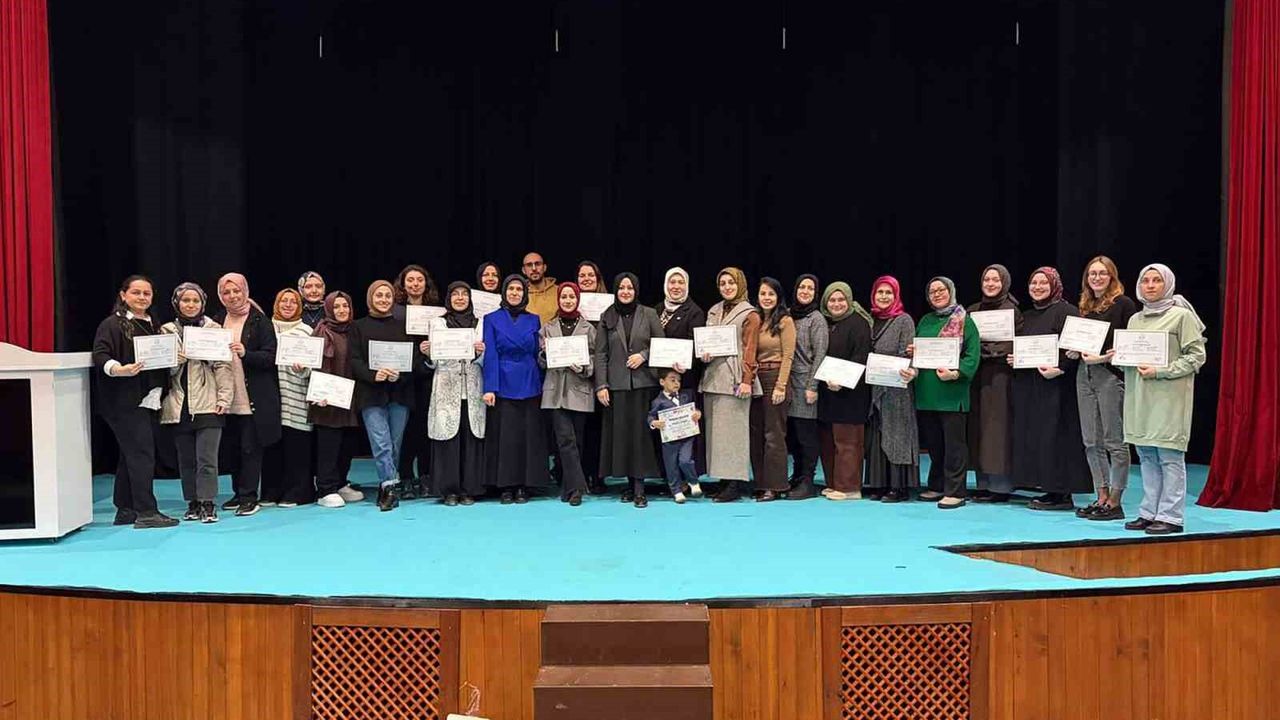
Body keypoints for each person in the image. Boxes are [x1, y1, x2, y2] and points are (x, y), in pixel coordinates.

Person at [1122, 264, 1206, 535]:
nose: (1150, 285)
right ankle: (1149, 512)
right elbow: (1131, 358)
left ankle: (1171, 516)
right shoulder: (1135, 319)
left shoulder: (1182, 316)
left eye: (1156, 280)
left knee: (1169, 457)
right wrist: (1118, 356)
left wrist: (1161, 371)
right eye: (1145, 280)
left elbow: (1196, 356)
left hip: (1169, 398)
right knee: (1146, 456)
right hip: (1140, 397)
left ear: (1167, 284)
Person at [92, 275, 178, 529]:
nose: (142, 297)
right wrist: (119, 369)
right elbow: (100, 354)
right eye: (136, 292)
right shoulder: (112, 324)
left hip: (149, 399)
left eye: (146, 293)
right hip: (124, 401)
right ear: (123, 295)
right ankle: (146, 511)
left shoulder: (154, 324)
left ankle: (126, 509)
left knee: (130, 455)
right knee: (142, 455)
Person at [1008, 267, 1092, 511]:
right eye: (1033, 283)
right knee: (1039, 437)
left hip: (1057, 386)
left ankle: (1062, 493)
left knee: (1058, 437)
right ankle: (1047, 487)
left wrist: (1061, 368)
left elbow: (1076, 347)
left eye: (1043, 283)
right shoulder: (1027, 315)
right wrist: (1016, 358)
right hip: (1030, 386)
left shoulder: (1067, 312)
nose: (1037, 287)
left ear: (1054, 285)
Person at [1071, 256, 1138, 520]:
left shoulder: (1124, 304)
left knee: (1114, 441)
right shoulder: (1085, 306)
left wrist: (1103, 358)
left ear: (1112, 276)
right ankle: (1101, 496)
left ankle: (1115, 500)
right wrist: (1073, 350)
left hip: (1110, 376)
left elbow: (1131, 345)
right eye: (1092, 274)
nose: (1096, 278)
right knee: (1091, 441)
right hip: (1084, 374)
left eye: (1102, 273)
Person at [160, 282, 233, 523]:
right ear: (177, 303)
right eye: (185, 300)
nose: (191, 305)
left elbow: (223, 366)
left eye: (196, 301)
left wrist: (224, 398)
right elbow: (161, 369)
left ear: (203, 304)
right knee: (186, 460)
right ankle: (192, 502)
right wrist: (175, 361)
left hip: (208, 402)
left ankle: (208, 502)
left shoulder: (214, 329)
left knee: (207, 459)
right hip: (179, 404)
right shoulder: (167, 330)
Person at [212, 272, 281, 518]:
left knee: (250, 449)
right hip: (225, 397)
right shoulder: (216, 320)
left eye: (236, 291)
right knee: (232, 449)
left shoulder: (260, 321)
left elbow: (271, 357)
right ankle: (238, 493)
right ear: (220, 296)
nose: (232, 296)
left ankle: (249, 496)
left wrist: (246, 353)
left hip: (252, 397)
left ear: (245, 291)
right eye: (226, 292)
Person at [595, 272, 666, 507]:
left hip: (644, 385)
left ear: (636, 291)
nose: (625, 292)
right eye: (621, 288)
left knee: (640, 437)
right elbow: (601, 354)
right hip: (617, 386)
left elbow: (661, 345)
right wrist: (601, 385)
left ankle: (639, 488)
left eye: (630, 288)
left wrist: (644, 355)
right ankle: (628, 483)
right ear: (615, 291)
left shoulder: (649, 314)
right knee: (622, 437)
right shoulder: (607, 315)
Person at [350, 279, 419, 511]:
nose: (383, 299)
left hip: (399, 394)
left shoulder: (404, 326)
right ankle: (389, 486)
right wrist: (373, 375)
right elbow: (354, 360)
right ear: (370, 298)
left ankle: (387, 484)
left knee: (395, 444)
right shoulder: (358, 326)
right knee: (381, 443)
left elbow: (413, 361)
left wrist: (400, 374)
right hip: (371, 394)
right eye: (378, 295)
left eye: (388, 295)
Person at [911, 277, 980, 509]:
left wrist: (956, 373)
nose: (937, 294)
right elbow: (920, 351)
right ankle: (937, 485)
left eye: (941, 290)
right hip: (927, 393)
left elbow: (972, 355)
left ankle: (956, 491)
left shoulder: (965, 321)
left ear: (951, 291)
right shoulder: (926, 320)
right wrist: (913, 351)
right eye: (932, 291)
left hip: (952, 394)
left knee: (954, 447)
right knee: (935, 445)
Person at [482, 274, 549, 502]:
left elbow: (537, 354)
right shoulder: (491, 319)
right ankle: (505, 485)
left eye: (519, 289)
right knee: (505, 437)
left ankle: (524, 485)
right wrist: (490, 387)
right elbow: (490, 354)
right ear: (504, 292)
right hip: (503, 383)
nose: (514, 293)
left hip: (530, 382)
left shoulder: (534, 319)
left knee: (528, 437)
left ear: (524, 293)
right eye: (511, 288)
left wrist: (543, 383)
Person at [424, 282, 487, 506]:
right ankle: (449, 490)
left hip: (473, 388)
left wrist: (481, 353)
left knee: (471, 438)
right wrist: (428, 353)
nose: (460, 298)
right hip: (446, 387)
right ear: (449, 298)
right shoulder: (437, 323)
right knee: (448, 440)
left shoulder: (480, 323)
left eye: (464, 294)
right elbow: (434, 362)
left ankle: (470, 489)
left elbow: (486, 360)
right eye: (455, 294)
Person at [701, 267, 760, 503]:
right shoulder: (714, 310)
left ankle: (734, 484)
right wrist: (703, 353)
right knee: (717, 435)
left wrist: (747, 380)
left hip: (735, 379)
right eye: (723, 283)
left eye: (731, 283)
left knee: (734, 433)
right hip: (713, 377)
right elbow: (706, 340)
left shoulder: (750, 314)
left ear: (741, 284)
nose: (727, 287)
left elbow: (750, 349)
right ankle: (723, 480)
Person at [966, 264, 1022, 503]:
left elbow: (1015, 344)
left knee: (998, 429)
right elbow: (965, 342)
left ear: (1005, 283)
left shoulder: (1013, 311)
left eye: (995, 280)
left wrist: (990, 351)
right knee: (978, 428)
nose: (990, 284)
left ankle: (1001, 486)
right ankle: (983, 483)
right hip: (976, 376)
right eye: (986, 279)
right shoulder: (973, 310)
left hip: (1001, 377)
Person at [539, 282, 597, 506]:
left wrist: (583, 367)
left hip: (579, 390)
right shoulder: (547, 327)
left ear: (577, 299)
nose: (568, 300)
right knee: (565, 440)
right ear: (558, 300)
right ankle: (577, 489)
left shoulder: (589, 329)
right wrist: (545, 355)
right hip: (555, 392)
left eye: (572, 296)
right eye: (564, 296)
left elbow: (596, 359)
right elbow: (539, 360)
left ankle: (567, 484)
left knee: (577, 442)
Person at [863, 276, 919, 503]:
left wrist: (912, 370)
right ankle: (879, 483)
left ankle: (898, 486)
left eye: (889, 293)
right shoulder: (870, 320)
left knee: (897, 435)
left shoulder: (904, 320)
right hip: (874, 387)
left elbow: (910, 352)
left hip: (897, 388)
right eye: (880, 292)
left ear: (896, 296)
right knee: (877, 434)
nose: (884, 296)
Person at [816, 282, 872, 501]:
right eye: (832, 300)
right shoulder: (826, 323)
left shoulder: (859, 323)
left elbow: (861, 357)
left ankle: (850, 488)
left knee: (848, 442)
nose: (836, 304)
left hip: (851, 394)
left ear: (849, 300)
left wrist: (842, 381)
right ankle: (833, 483)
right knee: (829, 441)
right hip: (828, 392)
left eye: (841, 300)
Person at [310, 292, 365, 508]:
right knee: (329, 446)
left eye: (345, 306)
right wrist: (318, 394)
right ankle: (325, 489)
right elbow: (315, 364)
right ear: (329, 309)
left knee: (347, 444)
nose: (342, 310)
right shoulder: (321, 331)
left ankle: (341, 483)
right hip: (327, 400)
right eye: (337, 307)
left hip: (350, 399)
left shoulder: (354, 331)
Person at [260, 288, 315, 508]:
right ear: (277, 303)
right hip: (270, 396)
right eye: (284, 300)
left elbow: (315, 366)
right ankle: (271, 491)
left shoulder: (307, 331)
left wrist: (303, 368)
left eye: (293, 301)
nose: (288, 305)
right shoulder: (265, 328)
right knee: (272, 447)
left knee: (297, 447)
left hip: (297, 396)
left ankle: (298, 492)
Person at [392, 263, 441, 500]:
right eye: (410, 280)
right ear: (403, 284)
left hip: (428, 375)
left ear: (426, 284)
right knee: (406, 428)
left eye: (419, 280)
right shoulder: (395, 311)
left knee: (425, 426)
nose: (415, 284)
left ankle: (425, 475)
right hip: (403, 377)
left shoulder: (436, 312)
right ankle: (405, 476)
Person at [655, 266, 707, 481]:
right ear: (665, 285)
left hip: (684, 382)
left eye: (680, 282)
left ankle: (686, 479)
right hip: (660, 382)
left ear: (687, 285)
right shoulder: (657, 309)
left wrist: (687, 363)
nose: (676, 287)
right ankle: (668, 478)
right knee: (665, 431)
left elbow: (697, 346)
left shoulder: (694, 312)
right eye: (672, 282)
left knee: (683, 432)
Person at [749, 277, 796, 501]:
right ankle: (760, 483)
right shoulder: (755, 320)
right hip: (756, 379)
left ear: (778, 297)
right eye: (763, 294)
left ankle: (775, 486)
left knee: (774, 435)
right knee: (756, 433)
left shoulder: (785, 321)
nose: (766, 298)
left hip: (775, 378)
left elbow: (788, 356)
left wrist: (781, 386)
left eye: (771, 294)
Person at [785, 274, 827, 500]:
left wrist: (813, 386)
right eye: (802, 287)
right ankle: (797, 475)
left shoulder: (816, 319)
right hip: (788, 383)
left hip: (805, 384)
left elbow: (820, 354)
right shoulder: (788, 315)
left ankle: (808, 480)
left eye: (810, 288)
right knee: (793, 435)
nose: (805, 291)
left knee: (806, 435)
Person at [576, 260, 609, 493]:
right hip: (577, 376)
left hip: (603, 375)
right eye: (582, 276)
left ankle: (597, 476)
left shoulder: (609, 306)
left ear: (598, 280)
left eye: (590, 275)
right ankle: (577, 475)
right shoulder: (570, 303)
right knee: (581, 428)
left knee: (598, 428)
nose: (586, 279)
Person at [648, 368, 704, 503]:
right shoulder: (658, 401)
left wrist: (698, 413)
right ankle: (676, 491)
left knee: (686, 460)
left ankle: (693, 481)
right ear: (662, 382)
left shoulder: (687, 395)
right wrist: (653, 423)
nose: (676, 383)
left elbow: (695, 409)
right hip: (669, 439)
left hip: (687, 436)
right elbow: (651, 416)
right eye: (672, 380)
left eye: (679, 380)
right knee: (671, 465)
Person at [522, 252, 559, 323]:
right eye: (529, 265)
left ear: (544, 267)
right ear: (524, 270)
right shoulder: (519, 294)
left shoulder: (559, 291)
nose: (534, 268)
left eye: (537, 264)